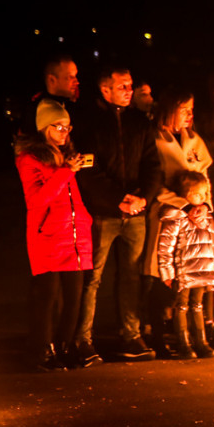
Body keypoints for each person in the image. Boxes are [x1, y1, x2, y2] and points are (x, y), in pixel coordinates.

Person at [75, 66, 161, 363]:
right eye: (122, 85)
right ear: (105, 89)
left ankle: (131, 336)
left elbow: (153, 164)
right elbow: (88, 170)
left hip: (135, 212)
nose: (128, 90)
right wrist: (117, 200)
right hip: (103, 213)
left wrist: (143, 198)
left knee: (131, 276)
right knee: (92, 278)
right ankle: (82, 339)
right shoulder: (90, 123)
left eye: (130, 84)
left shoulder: (140, 122)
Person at [15, 101, 93, 370]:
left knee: (74, 297)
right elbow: (37, 200)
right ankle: (41, 351)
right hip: (48, 236)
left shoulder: (66, 155)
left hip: (75, 235)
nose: (63, 132)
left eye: (66, 127)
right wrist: (66, 172)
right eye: (57, 127)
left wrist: (85, 220)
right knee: (47, 298)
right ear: (43, 129)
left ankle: (64, 346)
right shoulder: (30, 159)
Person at [157, 171, 214, 359]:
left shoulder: (207, 217)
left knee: (198, 305)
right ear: (184, 195)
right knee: (182, 306)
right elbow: (165, 247)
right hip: (184, 272)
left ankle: (201, 342)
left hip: (202, 271)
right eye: (197, 194)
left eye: (204, 194)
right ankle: (183, 342)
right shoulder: (176, 217)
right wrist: (167, 273)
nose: (202, 198)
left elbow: (213, 244)